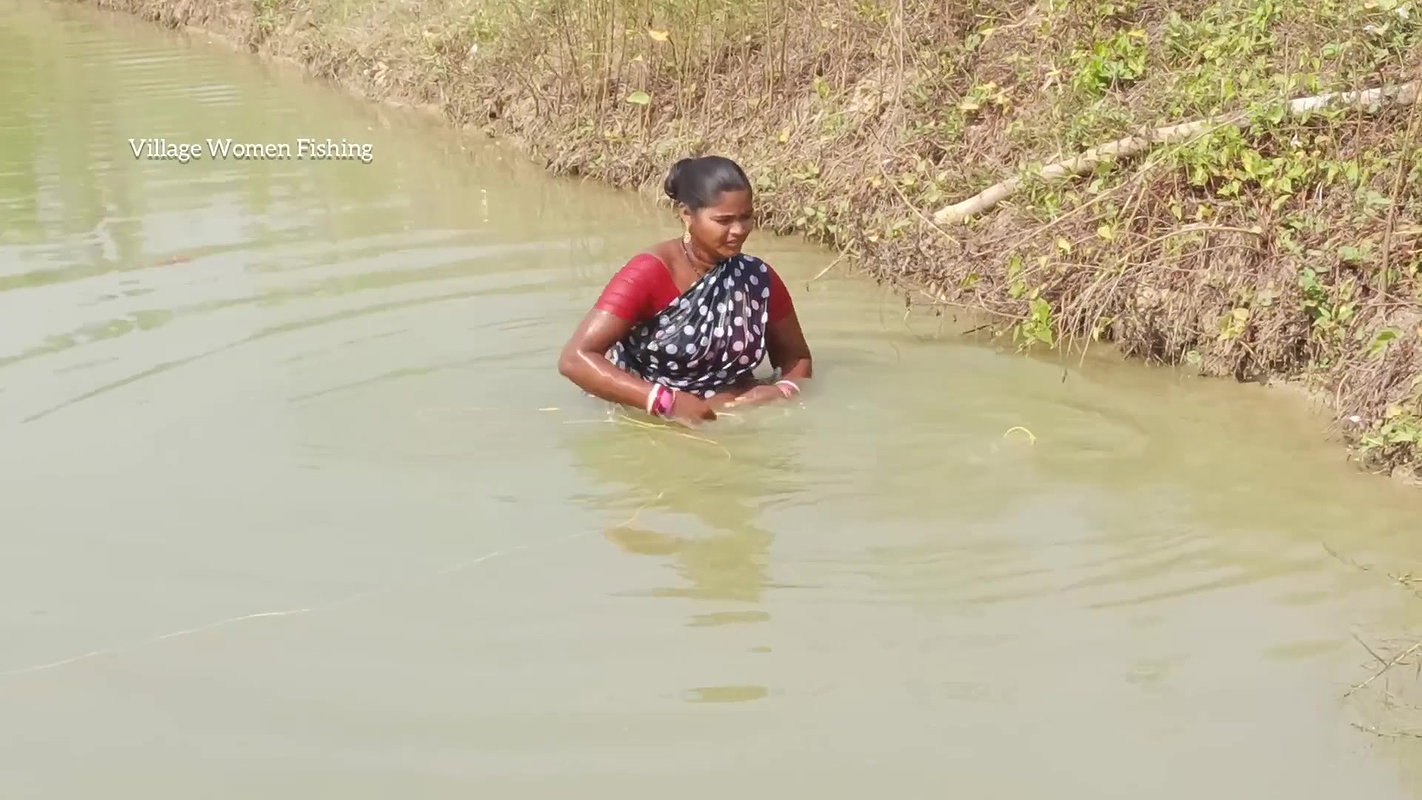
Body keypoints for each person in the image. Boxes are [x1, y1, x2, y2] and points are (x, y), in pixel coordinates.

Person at [557, 156, 814, 425]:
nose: (739, 230)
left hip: (738, 422)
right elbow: (576, 359)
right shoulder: (649, 274)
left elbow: (796, 359)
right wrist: (666, 402)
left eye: (746, 217)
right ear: (686, 215)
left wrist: (781, 391)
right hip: (649, 424)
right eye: (724, 220)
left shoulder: (758, 279)